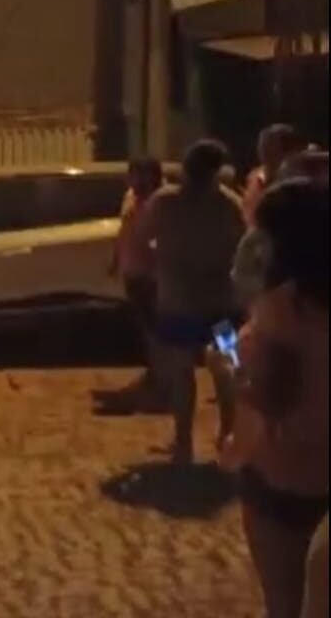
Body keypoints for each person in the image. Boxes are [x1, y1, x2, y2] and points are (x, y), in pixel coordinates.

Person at [217, 179, 328, 618]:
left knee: (285, 605)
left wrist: (228, 379)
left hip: (287, 488)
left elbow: (251, 424)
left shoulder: (278, 317)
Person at [135, 140, 246, 464]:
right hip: (222, 302)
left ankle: (183, 442)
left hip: (178, 302)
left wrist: (164, 261)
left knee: (182, 371)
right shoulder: (230, 204)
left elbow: (142, 241)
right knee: (226, 367)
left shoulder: (165, 202)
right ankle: (228, 435)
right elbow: (245, 247)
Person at [107, 157, 165, 409]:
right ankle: (154, 375)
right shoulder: (131, 197)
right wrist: (115, 260)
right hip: (134, 274)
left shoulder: (163, 202)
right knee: (146, 330)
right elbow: (125, 230)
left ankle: (164, 382)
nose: (138, 181)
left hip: (154, 277)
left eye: (143, 176)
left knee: (159, 332)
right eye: (134, 175)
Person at [243, 124, 306, 227]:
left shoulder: (300, 182)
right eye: (262, 145)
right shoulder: (255, 178)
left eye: (269, 146)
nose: (263, 151)